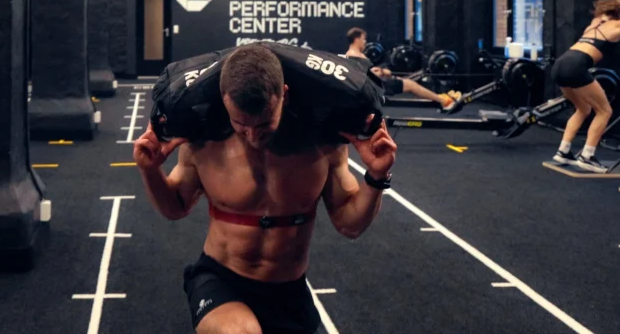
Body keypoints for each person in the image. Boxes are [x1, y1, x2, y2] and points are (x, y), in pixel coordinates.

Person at [134, 43, 397, 334]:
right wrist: (151, 170)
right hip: (221, 279)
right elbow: (175, 208)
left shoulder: (322, 143)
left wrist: (376, 175)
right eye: (240, 125)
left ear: (283, 94)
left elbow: (350, 225)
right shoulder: (203, 142)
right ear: (224, 102)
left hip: (290, 292)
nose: (251, 135)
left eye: (263, 125)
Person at [550, 0, 620, 173]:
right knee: (604, 111)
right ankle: (587, 156)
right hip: (576, 65)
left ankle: (563, 151)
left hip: (561, 64)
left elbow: (618, 5)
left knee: (583, 108)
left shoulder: (598, 21)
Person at [344, 27, 457, 111]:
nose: (365, 42)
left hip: (374, 86)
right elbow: (367, 75)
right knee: (410, 84)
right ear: (356, 39)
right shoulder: (356, 55)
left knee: (403, 80)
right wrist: (383, 72)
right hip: (374, 88)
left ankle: (442, 98)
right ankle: (445, 101)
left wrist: (384, 73)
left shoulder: (352, 54)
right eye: (363, 39)